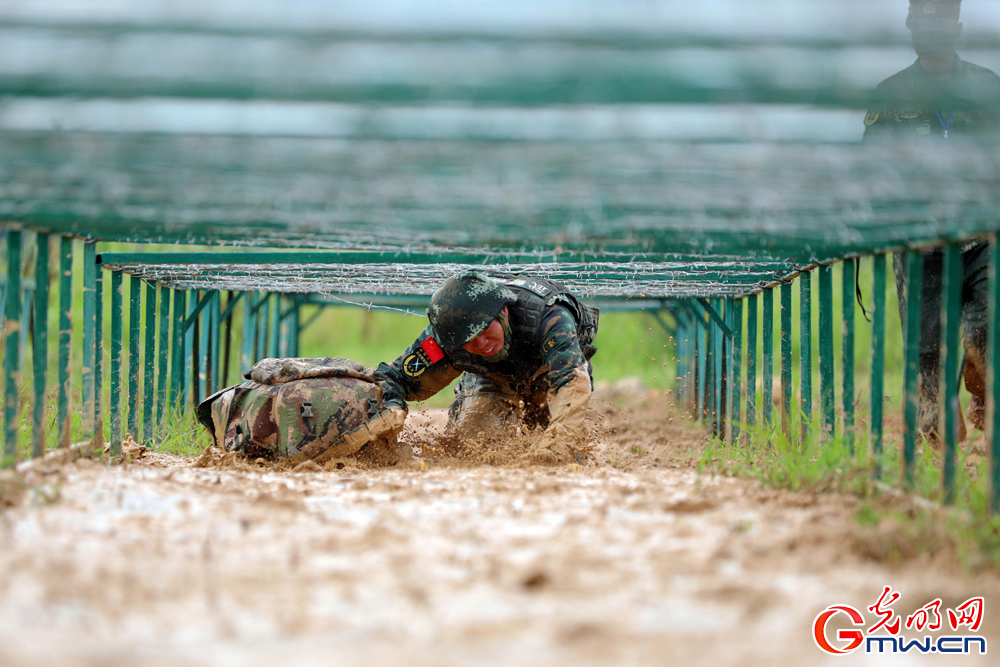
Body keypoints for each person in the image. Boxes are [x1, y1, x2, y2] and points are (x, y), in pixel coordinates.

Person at [863, 0, 1000, 440]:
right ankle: (943, 461)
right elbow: (865, 167)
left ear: (956, 28)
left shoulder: (986, 87)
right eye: (920, 22)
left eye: (938, 23)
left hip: (983, 239)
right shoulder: (891, 94)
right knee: (929, 370)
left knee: (984, 342)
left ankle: (983, 399)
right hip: (921, 244)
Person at [374, 270, 599, 463]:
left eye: (484, 330)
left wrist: (556, 448)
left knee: (562, 449)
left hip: (551, 374)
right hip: (492, 378)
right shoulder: (446, 339)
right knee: (471, 447)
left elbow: (571, 380)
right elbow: (393, 376)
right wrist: (392, 407)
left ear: (503, 311)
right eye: (468, 340)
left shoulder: (549, 316)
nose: (481, 344)